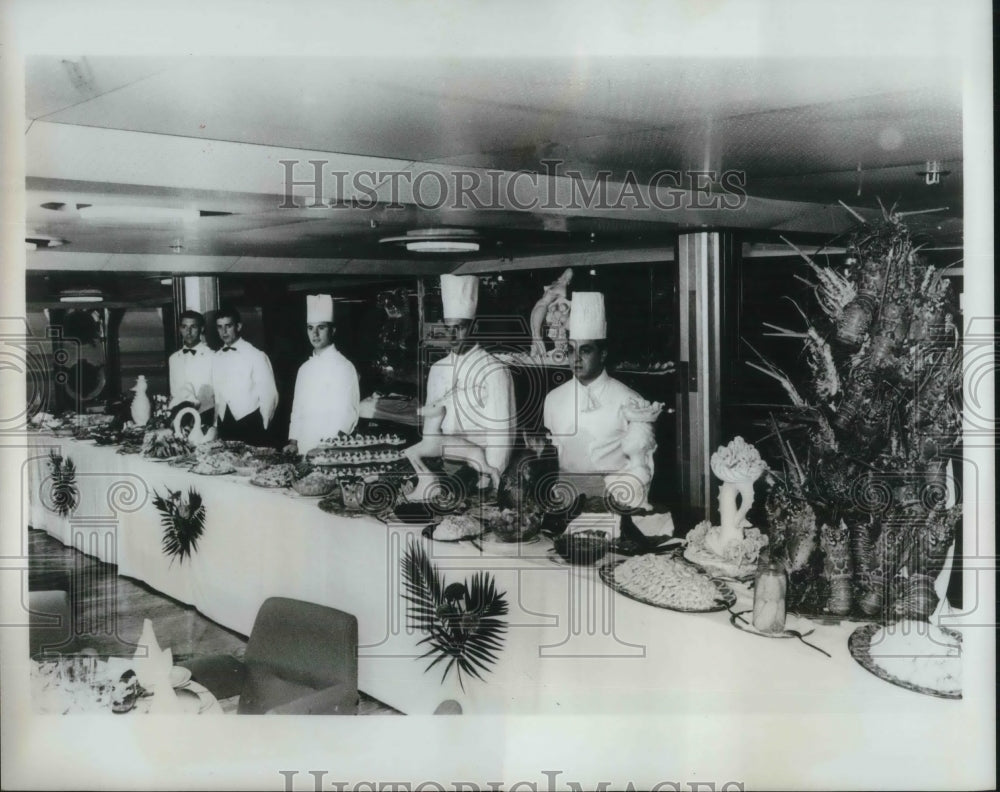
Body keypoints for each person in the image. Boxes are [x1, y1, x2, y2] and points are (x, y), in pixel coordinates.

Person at [542, 292, 659, 508]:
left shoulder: (631, 401)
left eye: (585, 351)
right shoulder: (553, 399)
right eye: (571, 350)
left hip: (613, 505)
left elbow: (644, 467)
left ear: (603, 354)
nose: (575, 359)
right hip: (562, 503)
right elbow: (550, 459)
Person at [408, 275, 515, 489]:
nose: (452, 336)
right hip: (443, 463)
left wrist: (488, 480)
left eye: (460, 328)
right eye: (448, 328)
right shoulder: (438, 369)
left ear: (474, 327)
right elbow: (431, 427)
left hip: (479, 468)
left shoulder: (495, 370)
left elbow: (502, 434)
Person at [284, 294, 360, 456]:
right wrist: (293, 442)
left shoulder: (344, 367)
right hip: (303, 448)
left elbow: (348, 414)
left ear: (333, 330)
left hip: (331, 451)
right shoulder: (304, 368)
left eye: (321, 327)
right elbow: (297, 409)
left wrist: (326, 447)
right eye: (310, 328)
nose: (315, 334)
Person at [211, 306, 278, 445]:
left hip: (250, 422)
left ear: (238, 326)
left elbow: (269, 394)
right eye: (219, 327)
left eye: (228, 326)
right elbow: (217, 393)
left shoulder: (256, 355)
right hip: (225, 422)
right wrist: (216, 423)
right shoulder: (216, 357)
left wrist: (264, 426)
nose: (224, 331)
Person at [167, 310, 215, 425]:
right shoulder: (173, 359)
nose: (188, 332)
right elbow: (174, 393)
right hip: (180, 419)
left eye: (193, 327)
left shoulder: (213, 356)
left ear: (201, 329)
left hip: (205, 417)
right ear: (180, 329)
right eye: (184, 327)